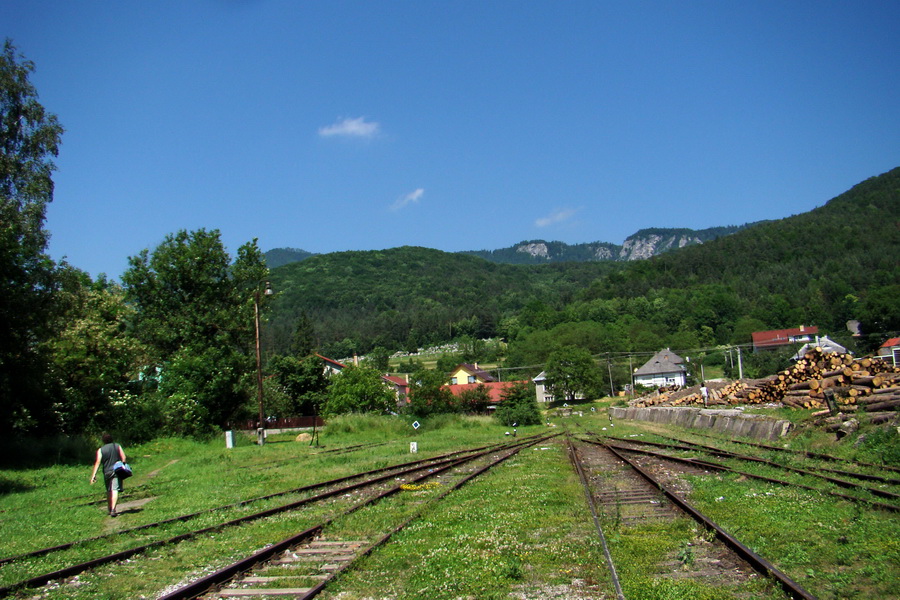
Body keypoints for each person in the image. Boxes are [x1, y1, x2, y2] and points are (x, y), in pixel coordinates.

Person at [90, 433, 127, 517]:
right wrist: (123, 465)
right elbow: (124, 458)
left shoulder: (101, 450)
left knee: (109, 490)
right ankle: (113, 509)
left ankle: (109, 508)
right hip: (116, 471)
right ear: (111, 439)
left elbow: (98, 462)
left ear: (103, 441)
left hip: (106, 472)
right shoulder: (117, 446)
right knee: (115, 489)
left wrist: (93, 475)